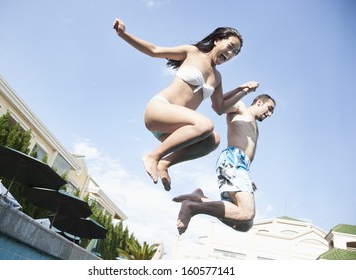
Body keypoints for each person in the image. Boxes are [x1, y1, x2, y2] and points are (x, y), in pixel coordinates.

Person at [113, 18, 258, 191]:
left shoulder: (217, 78)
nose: (230, 53)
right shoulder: (192, 52)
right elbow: (154, 50)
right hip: (159, 109)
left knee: (213, 140)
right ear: (217, 40)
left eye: (235, 52)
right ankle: (154, 156)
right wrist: (123, 34)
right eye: (230, 46)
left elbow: (220, 107)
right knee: (205, 125)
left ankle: (165, 163)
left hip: (172, 130)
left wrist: (242, 91)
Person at [173, 93, 275, 234]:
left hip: (241, 167)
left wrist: (246, 179)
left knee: (245, 224)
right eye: (269, 108)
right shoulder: (241, 108)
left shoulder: (255, 126)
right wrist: (243, 90)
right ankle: (191, 207)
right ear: (259, 102)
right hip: (233, 159)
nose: (269, 114)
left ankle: (200, 199)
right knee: (247, 212)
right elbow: (218, 106)